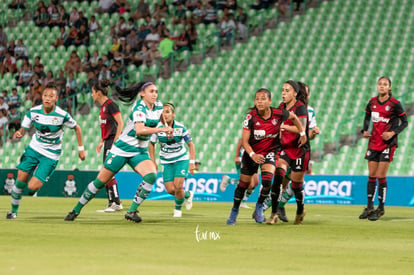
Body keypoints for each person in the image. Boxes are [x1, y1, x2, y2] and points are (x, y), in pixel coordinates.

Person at [64, 81, 173, 223]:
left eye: (156, 91)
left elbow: (159, 116)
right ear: (142, 94)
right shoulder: (139, 108)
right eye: (151, 91)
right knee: (100, 182)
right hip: (123, 148)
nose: (155, 94)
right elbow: (140, 130)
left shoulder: (158, 105)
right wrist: (161, 130)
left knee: (151, 176)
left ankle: (132, 211)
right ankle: (76, 210)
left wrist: (166, 125)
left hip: (139, 151)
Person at [226, 88, 306, 225]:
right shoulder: (250, 117)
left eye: (263, 99)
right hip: (252, 153)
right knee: (243, 184)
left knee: (268, 181)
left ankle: (259, 206)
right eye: (257, 99)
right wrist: (252, 155)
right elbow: (244, 141)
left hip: (270, 152)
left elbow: (294, 117)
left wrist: (302, 133)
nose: (260, 101)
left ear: (270, 101)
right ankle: (234, 210)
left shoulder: (279, 113)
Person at [6, 82, 85, 219]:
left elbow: (77, 128)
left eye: (51, 96)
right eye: (45, 95)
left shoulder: (62, 115)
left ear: (56, 98)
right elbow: (23, 129)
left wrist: (81, 149)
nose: (47, 98)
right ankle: (13, 211)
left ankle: (34, 186)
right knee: (20, 181)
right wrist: (19, 132)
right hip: (34, 149)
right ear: (42, 97)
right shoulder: (33, 112)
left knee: (32, 188)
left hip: (50, 155)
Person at [266, 81, 321, 222]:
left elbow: (301, 129)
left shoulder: (301, 108)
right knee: (278, 178)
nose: (283, 93)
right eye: (282, 90)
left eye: (287, 90)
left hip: (300, 150)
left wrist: (283, 126)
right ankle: (274, 214)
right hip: (285, 148)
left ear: (295, 93)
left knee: (297, 185)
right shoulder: (280, 107)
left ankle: (300, 210)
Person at [359, 76, 408, 221]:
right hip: (373, 142)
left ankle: (380, 208)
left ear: (389, 88)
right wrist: (365, 130)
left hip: (388, 143)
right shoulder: (372, 102)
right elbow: (367, 116)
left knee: (381, 175)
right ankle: (369, 207)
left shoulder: (394, 104)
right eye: (380, 84)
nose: (382, 86)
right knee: (371, 175)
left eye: (385, 84)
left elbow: (405, 122)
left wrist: (393, 133)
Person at [148, 102, 195, 217]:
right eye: (162, 112)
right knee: (170, 190)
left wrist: (192, 162)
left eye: (168, 112)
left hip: (181, 159)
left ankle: (177, 209)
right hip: (166, 161)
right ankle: (188, 195)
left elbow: (191, 145)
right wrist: (153, 161)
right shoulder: (157, 129)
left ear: (173, 114)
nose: (165, 114)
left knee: (178, 186)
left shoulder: (180, 127)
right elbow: (151, 144)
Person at [91, 79, 124, 212]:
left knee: (108, 173)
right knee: (106, 172)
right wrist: (101, 141)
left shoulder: (111, 105)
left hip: (112, 142)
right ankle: (112, 202)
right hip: (108, 141)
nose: (91, 95)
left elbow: (120, 123)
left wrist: (115, 142)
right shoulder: (103, 107)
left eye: (92, 92)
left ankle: (115, 202)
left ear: (99, 93)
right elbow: (107, 128)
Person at [220, 138, 259, 209]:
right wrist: (237, 156)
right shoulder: (252, 130)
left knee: (255, 182)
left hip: (253, 159)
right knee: (246, 182)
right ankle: (228, 180)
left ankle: (242, 202)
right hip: (244, 157)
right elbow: (241, 140)